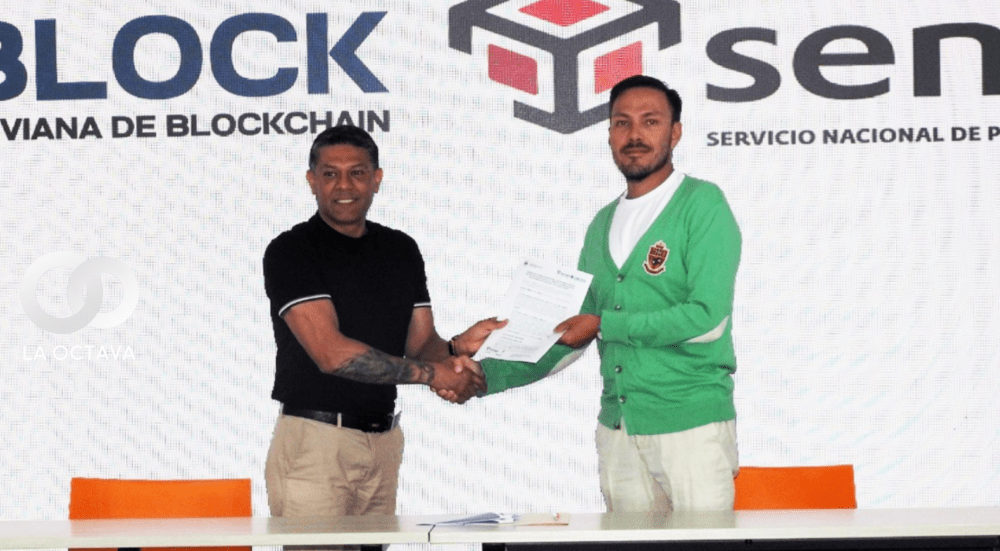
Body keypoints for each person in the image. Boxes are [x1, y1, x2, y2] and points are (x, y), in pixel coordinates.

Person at [479, 75, 742, 512]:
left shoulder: (702, 203)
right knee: (629, 544)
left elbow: (707, 321)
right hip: (618, 430)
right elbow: (571, 333)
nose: (634, 135)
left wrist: (606, 324)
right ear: (609, 134)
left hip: (690, 427)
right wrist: (485, 376)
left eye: (650, 121)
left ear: (675, 132)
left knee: (704, 544)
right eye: (622, 123)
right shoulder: (601, 223)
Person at [262, 125, 504, 527]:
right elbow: (333, 355)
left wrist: (458, 348)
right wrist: (435, 374)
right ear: (311, 181)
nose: (344, 185)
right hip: (316, 444)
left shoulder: (400, 249)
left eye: (357, 173)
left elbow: (421, 344)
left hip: (384, 443)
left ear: (376, 179)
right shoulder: (292, 251)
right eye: (330, 173)